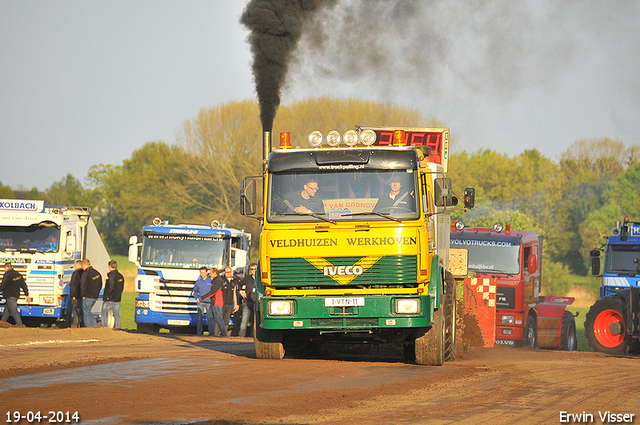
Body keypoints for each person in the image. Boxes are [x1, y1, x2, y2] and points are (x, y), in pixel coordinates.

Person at [202, 268, 226, 337]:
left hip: (217, 303)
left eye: (210, 273)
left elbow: (213, 292)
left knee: (219, 318)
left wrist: (203, 297)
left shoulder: (218, 281)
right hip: (213, 302)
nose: (209, 274)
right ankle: (211, 333)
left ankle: (223, 333)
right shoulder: (215, 280)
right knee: (209, 316)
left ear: (215, 273)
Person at [101, 259, 124, 329]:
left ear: (110, 266)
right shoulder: (120, 276)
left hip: (110, 298)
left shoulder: (111, 275)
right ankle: (118, 328)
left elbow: (110, 287)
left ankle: (104, 327)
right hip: (118, 298)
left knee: (104, 312)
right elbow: (121, 288)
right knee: (116, 314)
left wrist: (107, 296)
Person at [191, 266, 213, 336]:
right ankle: (199, 333)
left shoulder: (211, 281)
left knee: (210, 318)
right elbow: (194, 291)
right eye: (201, 273)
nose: (202, 274)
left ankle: (211, 333)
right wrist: (197, 298)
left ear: (207, 272)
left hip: (209, 302)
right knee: (199, 318)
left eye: (204, 272)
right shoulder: (198, 282)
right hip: (201, 302)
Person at [80, 258, 102, 327]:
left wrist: (82, 295)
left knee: (86, 312)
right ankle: (95, 326)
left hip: (88, 296)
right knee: (88, 311)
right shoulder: (97, 273)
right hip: (95, 296)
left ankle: (89, 328)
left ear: (84, 265)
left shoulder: (86, 273)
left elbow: (83, 285)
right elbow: (100, 284)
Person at [238, 263, 257, 337]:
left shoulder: (261, 279)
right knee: (244, 320)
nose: (253, 271)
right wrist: (241, 291)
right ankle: (241, 336)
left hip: (257, 302)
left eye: (255, 269)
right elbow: (239, 284)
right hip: (247, 302)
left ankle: (254, 336)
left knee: (255, 321)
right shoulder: (247, 278)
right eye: (252, 269)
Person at [220, 266, 238, 336]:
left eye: (229, 272)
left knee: (226, 321)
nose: (228, 273)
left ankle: (224, 334)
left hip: (230, 304)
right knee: (219, 320)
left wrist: (236, 304)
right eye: (227, 272)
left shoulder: (234, 282)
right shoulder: (221, 280)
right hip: (222, 303)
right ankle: (215, 334)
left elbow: (235, 293)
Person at [68, 259, 84, 327]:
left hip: (76, 295)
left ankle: (74, 324)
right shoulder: (84, 272)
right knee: (82, 310)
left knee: (75, 311)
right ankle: (82, 324)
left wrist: (73, 295)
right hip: (82, 295)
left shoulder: (76, 273)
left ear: (77, 265)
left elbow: (73, 285)